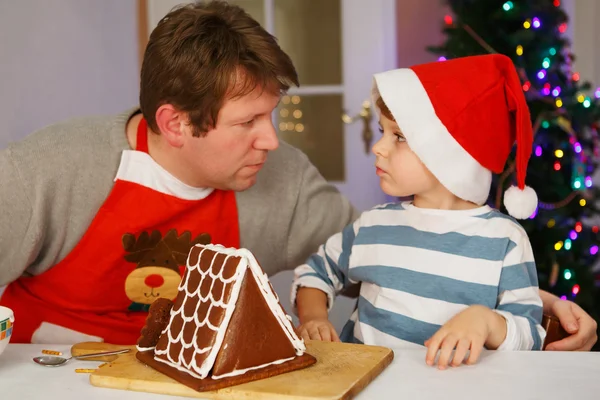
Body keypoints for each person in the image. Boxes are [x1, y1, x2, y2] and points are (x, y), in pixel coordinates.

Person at [0, 1, 595, 351]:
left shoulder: (282, 180)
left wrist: (522, 300)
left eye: (273, 114)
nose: (273, 140)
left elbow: (391, 251)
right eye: (249, 121)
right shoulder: (48, 171)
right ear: (175, 123)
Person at [292, 54, 596, 368]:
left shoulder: (504, 239)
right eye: (382, 131)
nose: (379, 147)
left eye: (399, 136)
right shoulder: (373, 224)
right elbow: (315, 273)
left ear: (449, 155)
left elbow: (529, 335)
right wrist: (314, 317)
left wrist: (485, 321)